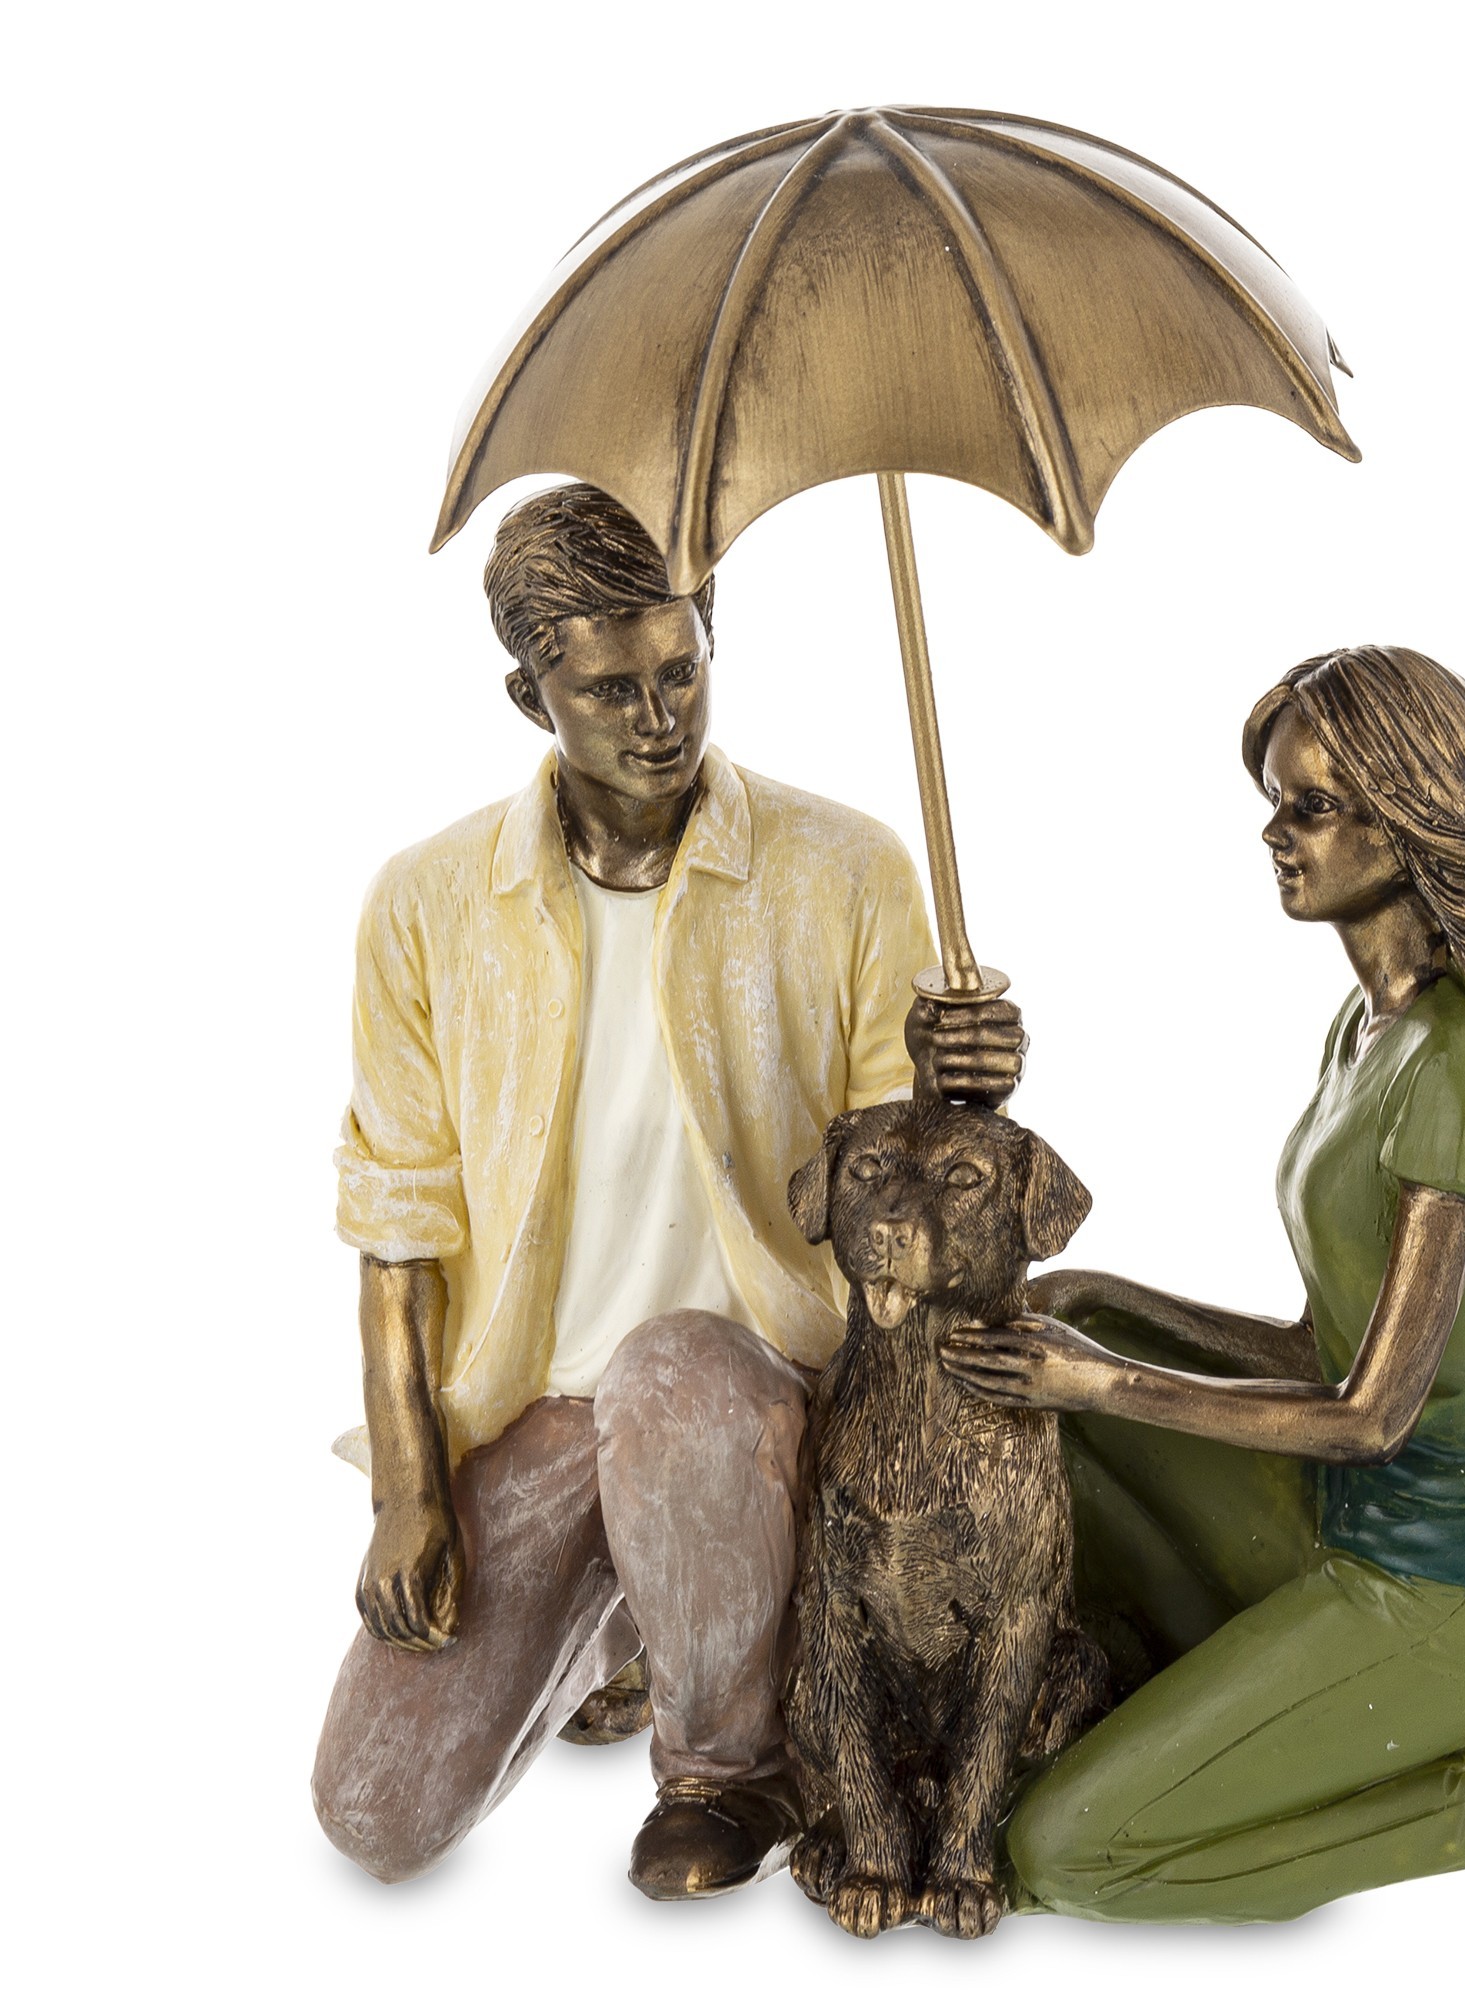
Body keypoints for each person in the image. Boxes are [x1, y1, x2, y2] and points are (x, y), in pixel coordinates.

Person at [942, 644, 1465, 1944]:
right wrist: (1105, 1308)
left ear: (1408, 820)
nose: (1276, 833)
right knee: (1073, 1360)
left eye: (1313, 805)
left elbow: (1370, 1414)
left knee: (1064, 1852)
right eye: (1277, 801)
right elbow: (1315, 1348)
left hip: (1460, 1585)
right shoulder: (1365, 1030)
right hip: (1339, 1519)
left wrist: (1098, 1377)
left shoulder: (1459, 1062)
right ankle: (1153, 1707)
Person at [311, 483, 1023, 1897]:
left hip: (756, 1390)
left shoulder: (844, 868)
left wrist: (966, 1091)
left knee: (675, 1374)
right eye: (610, 690)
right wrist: (409, 1488)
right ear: (530, 696)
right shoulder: (427, 904)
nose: (659, 717)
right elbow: (398, 1226)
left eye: (682, 670)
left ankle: (725, 1770)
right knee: (374, 1814)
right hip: (540, 1407)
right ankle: (633, 1620)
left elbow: (909, 1189)